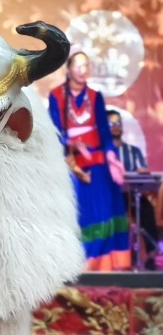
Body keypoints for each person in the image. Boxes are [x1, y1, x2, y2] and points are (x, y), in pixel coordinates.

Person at [48, 51, 131, 271]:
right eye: (78, 66)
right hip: (73, 166)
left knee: (105, 212)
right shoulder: (56, 96)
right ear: (68, 70)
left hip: (99, 166)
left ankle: (103, 265)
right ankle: (81, 264)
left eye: (86, 66)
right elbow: (54, 131)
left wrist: (112, 156)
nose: (83, 70)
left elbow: (104, 131)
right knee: (82, 216)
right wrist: (73, 143)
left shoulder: (95, 96)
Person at [107, 109, 159, 270]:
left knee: (147, 210)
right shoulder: (102, 152)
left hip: (131, 194)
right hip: (110, 197)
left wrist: (143, 172)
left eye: (118, 123)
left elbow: (142, 172)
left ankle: (151, 256)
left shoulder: (133, 151)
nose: (116, 127)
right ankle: (110, 259)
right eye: (111, 124)